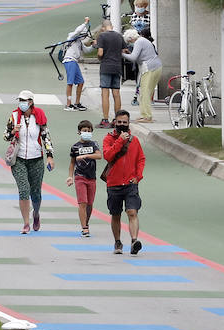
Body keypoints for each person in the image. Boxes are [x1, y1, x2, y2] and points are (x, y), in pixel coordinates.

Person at [5, 90, 53, 233]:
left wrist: (50, 155)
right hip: (18, 159)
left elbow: (46, 136)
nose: (22, 103)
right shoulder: (14, 116)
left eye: (24, 100)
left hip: (36, 159)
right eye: (20, 100)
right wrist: (13, 131)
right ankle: (26, 223)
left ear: (31, 102)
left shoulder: (39, 115)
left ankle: (36, 214)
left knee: (36, 192)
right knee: (24, 190)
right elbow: (6, 136)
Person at [102, 109, 146, 255]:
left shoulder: (135, 141)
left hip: (130, 183)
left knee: (132, 212)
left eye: (124, 122)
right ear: (115, 122)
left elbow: (141, 159)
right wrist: (120, 140)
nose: (121, 124)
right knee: (115, 214)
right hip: (113, 183)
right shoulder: (108, 139)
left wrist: (138, 176)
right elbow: (108, 156)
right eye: (119, 122)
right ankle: (118, 241)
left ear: (128, 123)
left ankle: (134, 241)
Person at [65, 118, 100, 237]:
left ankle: (86, 222)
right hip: (80, 177)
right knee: (83, 202)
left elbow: (99, 155)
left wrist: (85, 156)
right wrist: (70, 176)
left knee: (90, 204)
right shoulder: (75, 147)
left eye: (89, 130)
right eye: (84, 130)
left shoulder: (94, 144)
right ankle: (84, 227)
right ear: (79, 132)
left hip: (92, 177)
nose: (87, 132)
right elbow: (72, 163)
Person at [125, 28, 164, 122]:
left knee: (145, 92)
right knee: (145, 92)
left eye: (129, 41)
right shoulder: (143, 40)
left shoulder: (139, 42)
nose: (130, 43)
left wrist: (121, 54)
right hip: (155, 67)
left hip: (149, 68)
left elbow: (133, 58)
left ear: (131, 38)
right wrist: (128, 53)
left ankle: (147, 116)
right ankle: (144, 114)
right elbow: (138, 56)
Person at [94, 20, 125, 128]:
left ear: (103, 28)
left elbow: (100, 52)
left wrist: (99, 57)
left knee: (105, 93)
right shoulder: (119, 36)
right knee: (116, 94)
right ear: (112, 26)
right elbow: (124, 50)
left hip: (106, 66)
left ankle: (105, 119)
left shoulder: (102, 36)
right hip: (117, 67)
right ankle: (118, 119)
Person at [61, 17, 91, 111]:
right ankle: (68, 104)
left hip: (74, 62)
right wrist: (85, 23)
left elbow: (87, 50)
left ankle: (77, 103)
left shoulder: (79, 42)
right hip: (69, 60)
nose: (84, 37)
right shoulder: (71, 37)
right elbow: (77, 31)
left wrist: (94, 45)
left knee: (81, 82)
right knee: (70, 83)